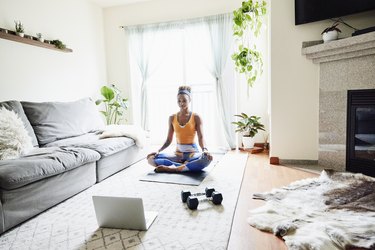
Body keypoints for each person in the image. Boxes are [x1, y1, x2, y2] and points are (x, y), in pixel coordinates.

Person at [147, 86, 213, 173]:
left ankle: (173, 168)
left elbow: (201, 137)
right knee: (150, 158)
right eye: (179, 101)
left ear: (189, 100)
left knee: (206, 159)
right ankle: (185, 166)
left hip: (192, 154)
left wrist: (205, 150)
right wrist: (158, 150)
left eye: (184, 100)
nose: (181, 103)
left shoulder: (196, 117)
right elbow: (168, 140)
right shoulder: (172, 118)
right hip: (178, 155)